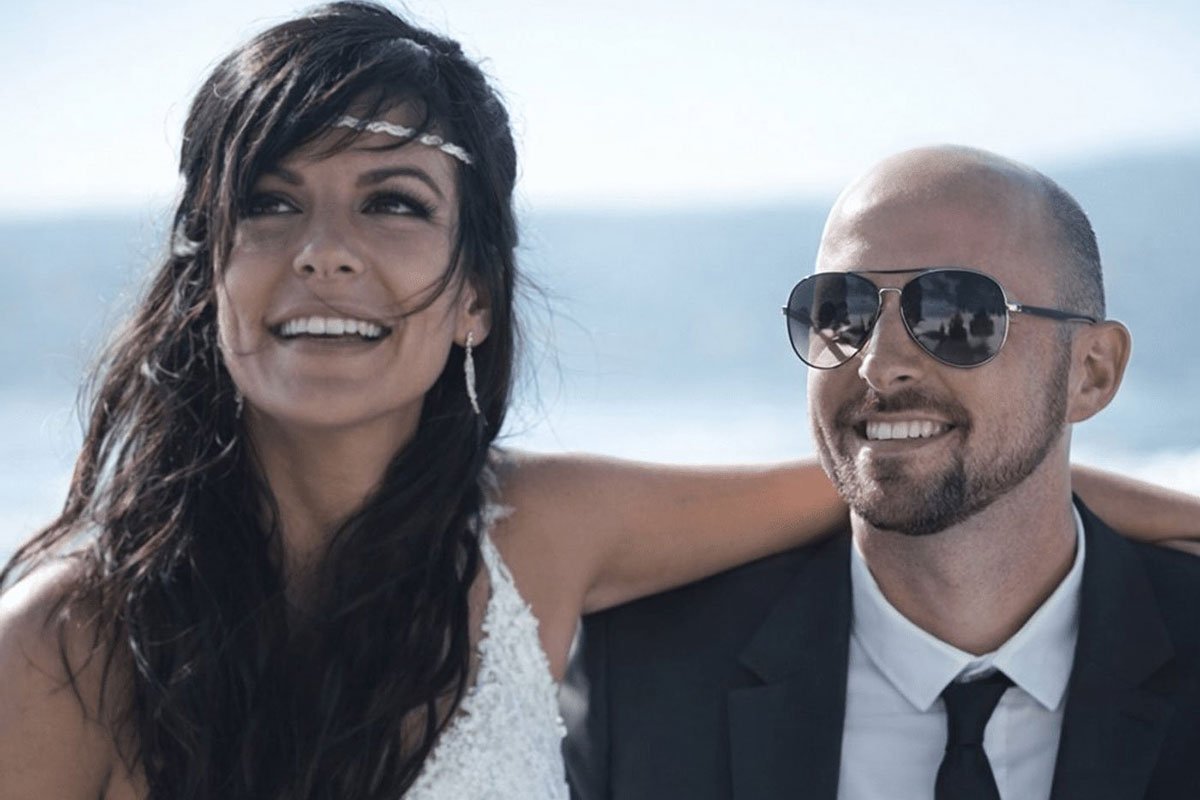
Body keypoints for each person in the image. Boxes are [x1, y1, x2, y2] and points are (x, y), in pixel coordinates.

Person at [0, 4, 1194, 798]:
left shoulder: (541, 536)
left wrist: (1113, 498)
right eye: (268, 202)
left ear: (476, 296)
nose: (322, 249)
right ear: (206, 276)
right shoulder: (67, 641)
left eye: (393, 202)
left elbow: (892, 480)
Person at [564, 146, 1200, 799]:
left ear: (1091, 373)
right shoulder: (643, 680)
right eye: (841, 313)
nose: (877, 363)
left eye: (952, 314)